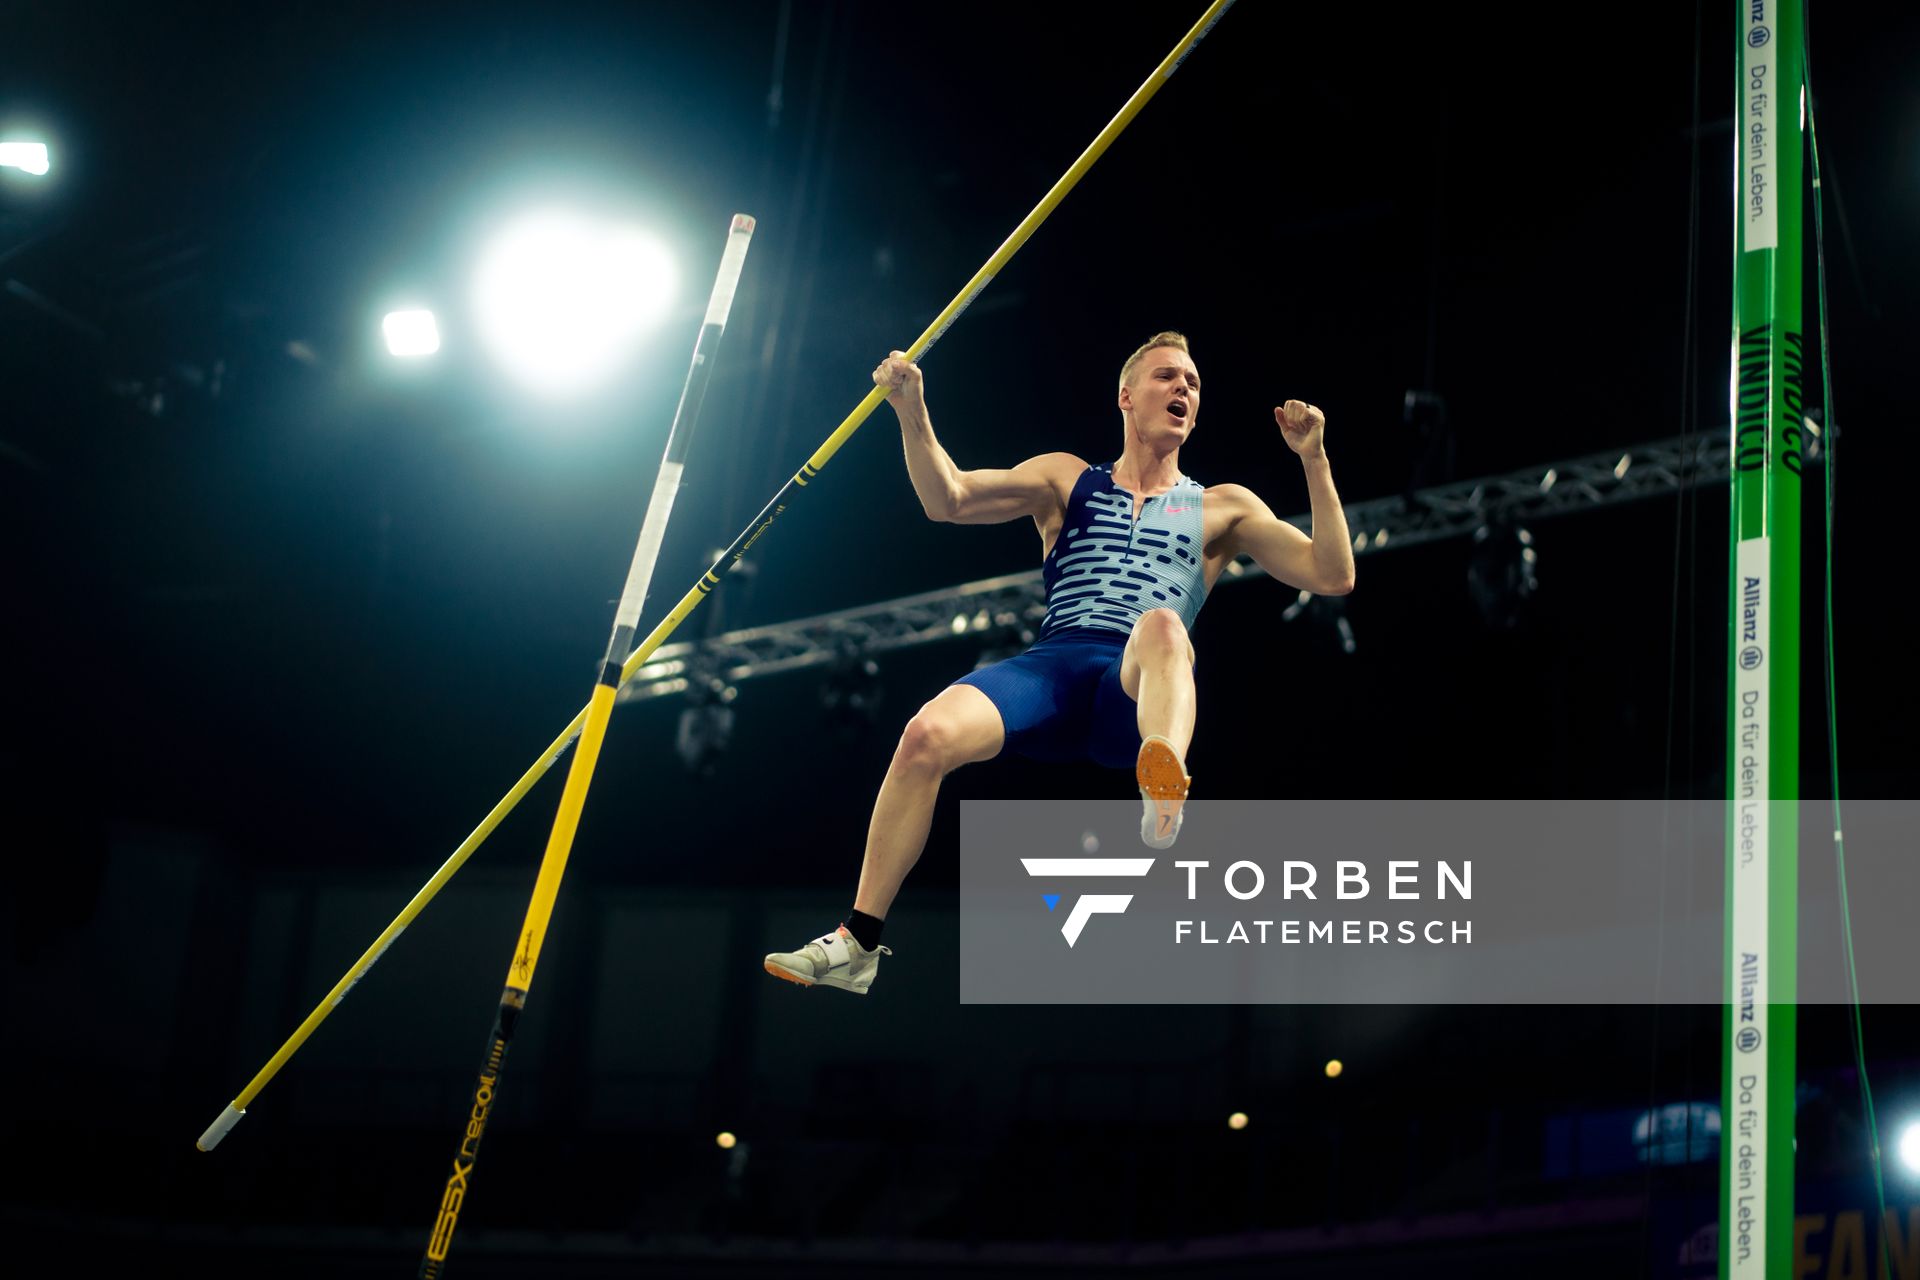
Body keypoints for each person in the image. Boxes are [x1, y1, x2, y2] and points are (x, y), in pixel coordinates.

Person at [764, 331, 1355, 993]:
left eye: (1192, 383)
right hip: (1049, 671)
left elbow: (1331, 575)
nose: (1183, 389)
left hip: (1131, 688)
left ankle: (1164, 789)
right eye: (1167, 377)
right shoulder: (1066, 479)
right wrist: (911, 409)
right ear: (1126, 397)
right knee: (924, 735)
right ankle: (858, 943)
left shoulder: (1223, 506)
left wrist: (1315, 461)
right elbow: (947, 499)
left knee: (1161, 625)